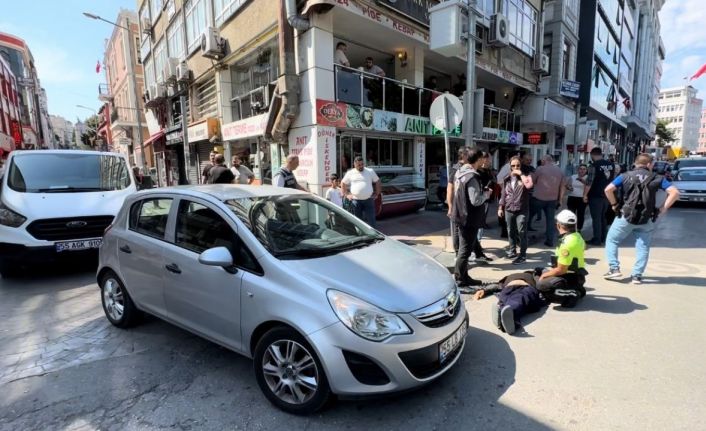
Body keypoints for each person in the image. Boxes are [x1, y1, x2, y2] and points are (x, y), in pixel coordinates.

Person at [474, 210, 588, 335]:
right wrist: (484, 290)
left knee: (518, 296)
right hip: (520, 284)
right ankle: (507, 313)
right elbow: (497, 285)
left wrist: (485, 290)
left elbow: (561, 269)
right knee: (515, 298)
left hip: (548, 281)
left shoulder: (568, 242)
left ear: (559, 225)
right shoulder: (576, 237)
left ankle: (507, 312)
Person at [603, 153, 680, 284]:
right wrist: (662, 209)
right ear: (649, 164)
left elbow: (608, 189)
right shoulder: (658, 178)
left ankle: (614, 269)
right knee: (643, 247)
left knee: (612, 240)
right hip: (646, 217)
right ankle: (637, 276)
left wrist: (614, 204)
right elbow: (675, 193)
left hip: (625, 216)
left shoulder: (625, 176)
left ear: (636, 163)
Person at [448, 147, 487, 289]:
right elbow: (475, 200)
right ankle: (459, 279)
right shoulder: (472, 176)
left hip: (460, 215)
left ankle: (464, 276)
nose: (484, 160)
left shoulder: (460, 172)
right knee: (465, 250)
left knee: (463, 249)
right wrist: (486, 195)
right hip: (468, 218)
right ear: (477, 159)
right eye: (482, 158)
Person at [498, 156, 534, 264]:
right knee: (510, 231)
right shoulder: (507, 178)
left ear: (521, 166)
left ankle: (522, 255)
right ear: (510, 166)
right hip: (509, 208)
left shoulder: (527, 176)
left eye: (518, 165)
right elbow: (503, 194)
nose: (515, 167)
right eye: (513, 166)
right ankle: (512, 251)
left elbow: (529, 186)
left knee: (522, 232)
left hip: (522, 209)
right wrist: (500, 207)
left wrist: (521, 174)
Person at [531, 155, 567, 247]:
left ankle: (522, 236)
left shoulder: (540, 169)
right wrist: (560, 200)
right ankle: (550, 240)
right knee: (550, 221)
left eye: (542, 160)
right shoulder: (560, 171)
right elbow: (562, 187)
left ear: (544, 160)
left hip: (538, 198)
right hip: (552, 199)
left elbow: (532, 181)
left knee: (529, 215)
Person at [583, 147, 616, 245]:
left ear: (592, 155)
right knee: (603, 217)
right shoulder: (611, 165)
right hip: (607, 195)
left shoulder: (594, 165)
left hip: (595, 195)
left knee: (596, 218)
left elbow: (589, 182)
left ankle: (596, 239)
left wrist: (585, 195)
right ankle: (603, 237)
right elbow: (612, 180)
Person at [341, 156, 381, 228]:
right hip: (356, 201)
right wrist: (346, 194)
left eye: (362, 164)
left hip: (368, 200)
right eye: (359, 165)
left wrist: (377, 192)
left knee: (372, 220)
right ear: (354, 164)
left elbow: (377, 181)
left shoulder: (370, 171)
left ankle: (374, 235)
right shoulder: (350, 172)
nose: (361, 166)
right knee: (357, 221)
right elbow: (343, 183)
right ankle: (360, 236)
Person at [471, 151, 495, 263]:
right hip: (479, 200)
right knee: (478, 224)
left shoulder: (487, 170)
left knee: (480, 223)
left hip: (486, 199)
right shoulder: (476, 172)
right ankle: (476, 246)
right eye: (487, 159)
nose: (489, 161)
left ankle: (477, 246)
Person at [446, 148, 467, 253]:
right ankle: (458, 252)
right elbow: (450, 189)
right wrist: (450, 206)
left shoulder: (469, 168)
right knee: (457, 230)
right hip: (457, 204)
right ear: (463, 156)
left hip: (466, 205)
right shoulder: (455, 169)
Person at [567, 164, 589, 231]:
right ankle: (571, 229)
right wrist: (569, 187)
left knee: (580, 214)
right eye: (580, 169)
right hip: (572, 197)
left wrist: (582, 181)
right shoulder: (573, 176)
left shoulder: (588, 177)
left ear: (586, 170)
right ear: (578, 170)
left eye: (584, 169)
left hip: (582, 198)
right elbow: (568, 185)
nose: (582, 170)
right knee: (571, 214)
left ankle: (579, 229)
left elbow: (590, 186)